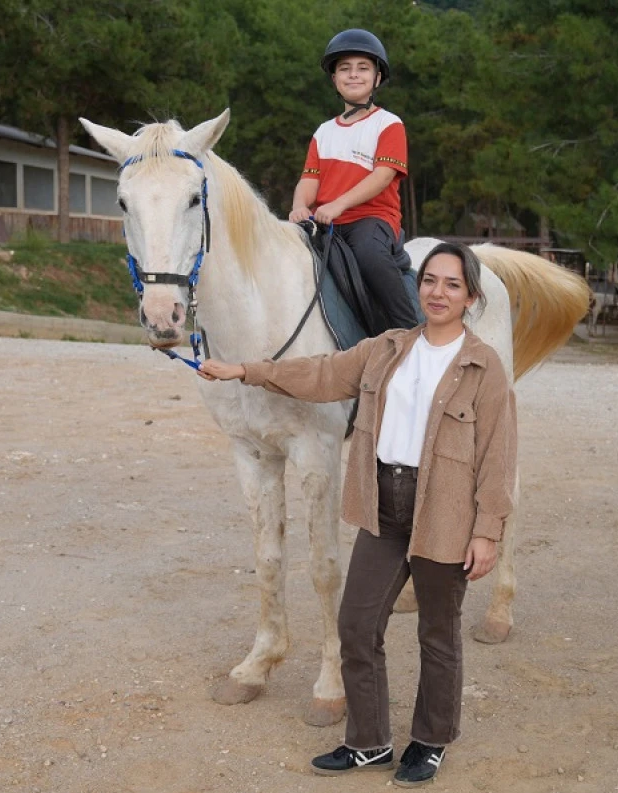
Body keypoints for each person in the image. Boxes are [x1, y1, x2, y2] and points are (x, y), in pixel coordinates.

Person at [199, 242, 516, 788]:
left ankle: (430, 742)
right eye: (430, 281)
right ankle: (368, 742)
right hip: (383, 504)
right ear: (417, 288)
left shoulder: (483, 366)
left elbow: (498, 455)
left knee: (438, 634)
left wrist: (487, 532)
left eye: (452, 285)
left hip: (443, 509)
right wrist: (245, 371)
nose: (438, 293)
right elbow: (321, 374)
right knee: (356, 623)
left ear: (471, 297)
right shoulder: (388, 347)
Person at [288, 28, 419, 332]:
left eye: (363, 68)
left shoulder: (388, 124)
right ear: (334, 79)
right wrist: (299, 205)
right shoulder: (323, 132)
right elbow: (309, 179)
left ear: (377, 77)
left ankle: (409, 334)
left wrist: (337, 205)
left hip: (371, 219)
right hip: (324, 222)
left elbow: (383, 175)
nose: (353, 75)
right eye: (344, 69)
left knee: (370, 256)